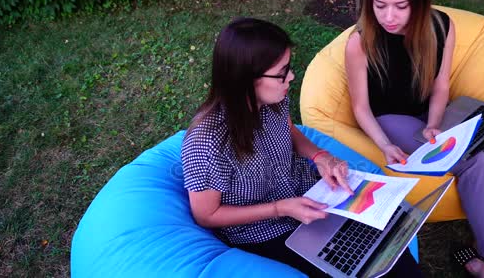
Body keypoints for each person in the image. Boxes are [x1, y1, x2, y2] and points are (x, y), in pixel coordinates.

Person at [181, 17, 423, 277]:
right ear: (246, 79)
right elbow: (207, 215)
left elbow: (290, 131)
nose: (291, 77)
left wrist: (321, 156)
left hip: (309, 194)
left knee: (391, 239)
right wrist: (280, 208)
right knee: (357, 264)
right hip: (263, 231)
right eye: (282, 72)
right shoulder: (207, 143)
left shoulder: (273, 100)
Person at [344, 0, 484, 278]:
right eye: (379, 5)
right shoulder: (360, 42)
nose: (388, 16)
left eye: (401, 6)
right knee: (475, 161)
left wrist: (435, 124)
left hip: (432, 114)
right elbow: (361, 107)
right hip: (392, 119)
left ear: (421, 1)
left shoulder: (441, 26)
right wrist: (384, 145)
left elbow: (441, 84)